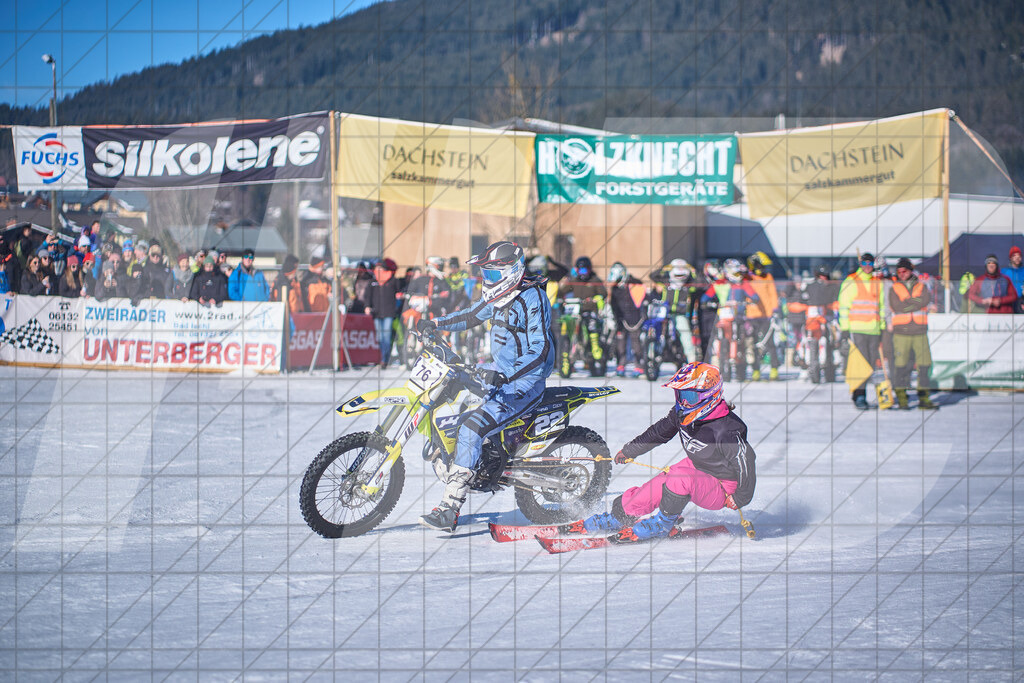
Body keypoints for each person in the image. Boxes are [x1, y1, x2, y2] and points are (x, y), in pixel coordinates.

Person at [417, 241, 555, 533]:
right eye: (486, 275)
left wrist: (508, 376)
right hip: (500, 374)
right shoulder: (498, 297)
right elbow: (470, 315)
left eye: (493, 275)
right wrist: (434, 323)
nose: (488, 282)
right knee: (452, 399)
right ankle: (467, 462)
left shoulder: (533, 298)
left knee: (471, 427)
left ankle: (449, 510)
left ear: (512, 271)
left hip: (524, 382)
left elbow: (541, 349)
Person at [578, 362, 756, 540]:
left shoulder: (726, 429)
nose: (684, 402)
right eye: (680, 395)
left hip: (723, 487)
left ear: (709, 395)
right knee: (662, 481)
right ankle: (620, 516)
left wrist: (741, 498)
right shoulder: (682, 413)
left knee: (679, 477)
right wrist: (630, 450)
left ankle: (663, 523)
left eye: (689, 396)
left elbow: (746, 461)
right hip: (699, 467)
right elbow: (659, 432)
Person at [838, 253, 885, 410]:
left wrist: (883, 327)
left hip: (874, 329)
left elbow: (882, 307)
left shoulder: (877, 283)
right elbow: (844, 306)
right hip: (857, 330)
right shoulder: (851, 281)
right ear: (860, 264)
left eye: (870, 263)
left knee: (871, 365)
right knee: (861, 366)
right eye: (864, 263)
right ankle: (859, 396)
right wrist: (844, 328)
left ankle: (860, 394)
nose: (867, 266)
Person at [890, 258, 938, 410]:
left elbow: (925, 301)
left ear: (910, 271)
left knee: (924, 366)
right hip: (901, 332)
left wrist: (907, 303)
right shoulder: (895, 288)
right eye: (899, 272)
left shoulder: (921, 286)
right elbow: (896, 306)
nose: (902, 274)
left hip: (919, 331)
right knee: (901, 366)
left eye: (904, 271)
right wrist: (914, 302)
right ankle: (902, 399)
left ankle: (924, 399)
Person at [557, 256, 608, 368]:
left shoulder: (595, 280)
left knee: (592, 325)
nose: (582, 273)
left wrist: (596, 298)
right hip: (575, 311)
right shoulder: (574, 281)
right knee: (566, 325)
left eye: (585, 270)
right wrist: (561, 294)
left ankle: (595, 347)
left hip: (589, 310)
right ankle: (567, 354)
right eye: (580, 270)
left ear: (589, 269)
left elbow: (603, 293)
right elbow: (561, 292)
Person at [607, 261, 648, 377]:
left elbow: (642, 294)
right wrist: (615, 318)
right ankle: (621, 365)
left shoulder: (634, 283)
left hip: (635, 319)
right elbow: (613, 305)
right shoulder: (615, 289)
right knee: (620, 343)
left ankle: (639, 365)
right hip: (621, 319)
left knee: (636, 344)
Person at [745, 251, 780, 381]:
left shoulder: (768, 277)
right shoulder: (747, 278)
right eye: (760, 266)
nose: (762, 269)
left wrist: (775, 309)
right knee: (752, 344)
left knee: (770, 343)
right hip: (751, 316)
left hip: (766, 316)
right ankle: (755, 370)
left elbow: (772, 294)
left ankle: (774, 369)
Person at [364, 258, 401, 366]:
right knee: (380, 337)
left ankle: (385, 359)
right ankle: (384, 356)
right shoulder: (372, 282)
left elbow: (399, 294)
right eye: (376, 268)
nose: (378, 271)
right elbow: (368, 297)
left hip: (389, 313)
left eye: (380, 268)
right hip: (376, 313)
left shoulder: (393, 281)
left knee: (386, 336)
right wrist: (367, 307)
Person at [1003, 246, 1024, 312]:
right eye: (1015, 255)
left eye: (1019, 256)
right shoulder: (1004, 271)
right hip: (1008, 302)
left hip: (1021, 302)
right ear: (1011, 258)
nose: (1017, 258)